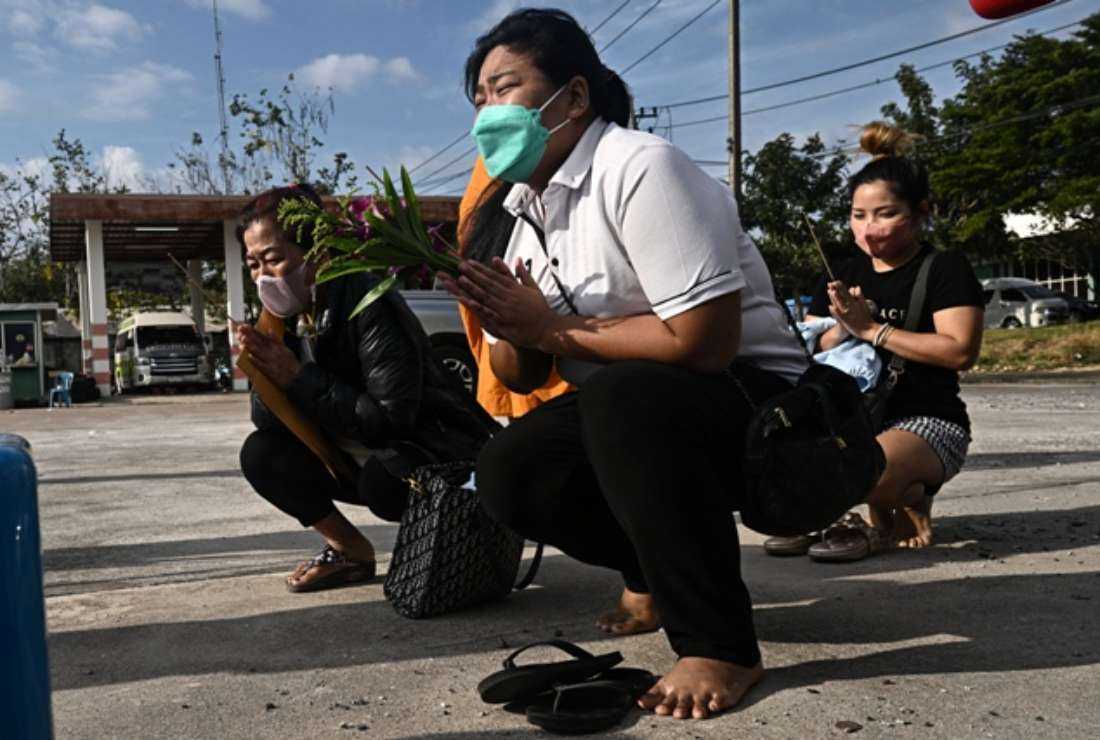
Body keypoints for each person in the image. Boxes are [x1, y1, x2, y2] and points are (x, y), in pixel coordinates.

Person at [440, 9, 807, 720]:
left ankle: (720, 644)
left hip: (756, 403)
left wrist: (552, 327)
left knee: (625, 397)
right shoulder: (523, 211)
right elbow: (519, 376)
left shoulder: (640, 166)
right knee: (512, 470)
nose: (487, 112)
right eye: (478, 98)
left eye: (504, 87)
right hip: (637, 407)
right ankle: (650, 567)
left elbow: (703, 342)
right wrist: (507, 323)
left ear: (573, 98)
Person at [235, 184, 496, 592]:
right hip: (354, 454)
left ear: (316, 254)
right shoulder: (281, 319)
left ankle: (454, 544)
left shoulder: (368, 302)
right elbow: (268, 421)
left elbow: (390, 419)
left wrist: (297, 376)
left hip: (427, 453)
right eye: (253, 265)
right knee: (261, 453)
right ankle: (348, 550)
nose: (263, 276)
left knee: (384, 479)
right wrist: (263, 367)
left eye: (273, 259)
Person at [773, 122, 984, 562]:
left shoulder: (943, 268)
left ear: (922, 212)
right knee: (783, 473)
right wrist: (842, 327)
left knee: (851, 475)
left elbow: (960, 350)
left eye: (886, 214)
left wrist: (873, 330)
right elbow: (815, 353)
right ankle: (895, 498)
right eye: (858, 215)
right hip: (856, 421)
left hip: (928, 422)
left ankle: (883, 512)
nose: (869, 229)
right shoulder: (843, 273)